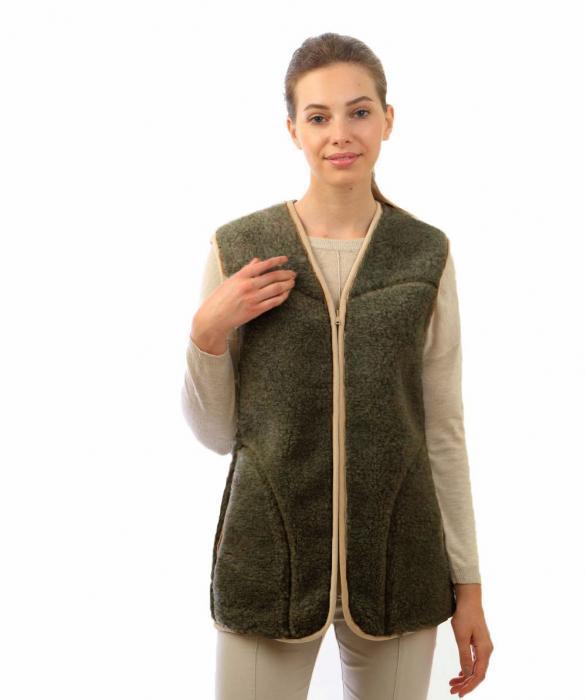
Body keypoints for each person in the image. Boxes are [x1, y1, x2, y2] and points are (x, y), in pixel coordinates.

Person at [181, 32, 493, 700]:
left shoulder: (425, 254)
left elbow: (443, 428)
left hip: (400, 565)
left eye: (359, 111)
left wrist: (468, 585)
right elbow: (217, 436)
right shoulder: (241, 248)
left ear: (387, 119)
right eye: (318, 116)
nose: (340, 134)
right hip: (267, 564)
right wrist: (206, 334)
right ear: (293, 129)